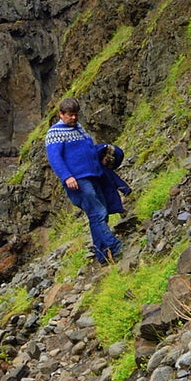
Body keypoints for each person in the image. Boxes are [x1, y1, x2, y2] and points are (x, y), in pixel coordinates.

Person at [45, 97, 129, 264]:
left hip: (93, 174)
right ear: (61, 114)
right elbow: (55, 158)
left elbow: (89, 149)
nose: (74, 118)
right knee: (98, 211)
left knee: (98, 213)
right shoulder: (54, 133)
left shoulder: (79, 128)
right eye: (70, 115)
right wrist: (67, 176)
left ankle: (103, 255)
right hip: (78, 180)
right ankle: (115, 246)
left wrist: (101, 154)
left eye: (76, 115)